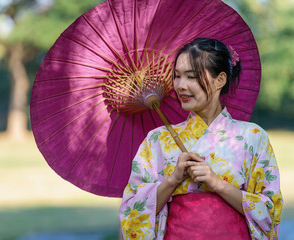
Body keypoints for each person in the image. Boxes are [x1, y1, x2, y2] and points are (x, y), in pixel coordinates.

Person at [119, 38, 283, 240]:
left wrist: (217, 183)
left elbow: (270, 212)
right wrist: (173, 180)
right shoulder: (157, 140)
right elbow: (132, 214)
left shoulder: (253, 137)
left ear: (220, 80)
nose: (180, 85)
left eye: (191, 77)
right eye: (177, 76)